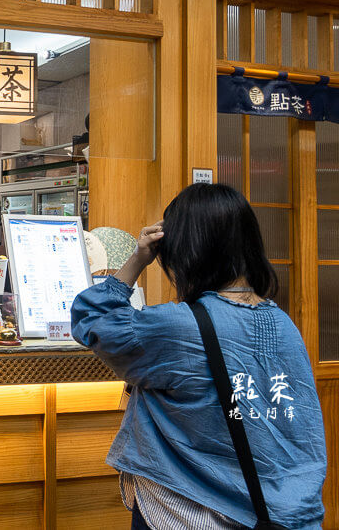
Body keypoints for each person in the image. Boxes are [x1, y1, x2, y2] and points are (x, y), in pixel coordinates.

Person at [71, 184, 326, 530]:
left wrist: (137, 259)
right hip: (283, 512)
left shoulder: (179, 325)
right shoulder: (282, 323)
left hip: (188, 509)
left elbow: (91, 319)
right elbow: (300, 425)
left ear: (185, 251)